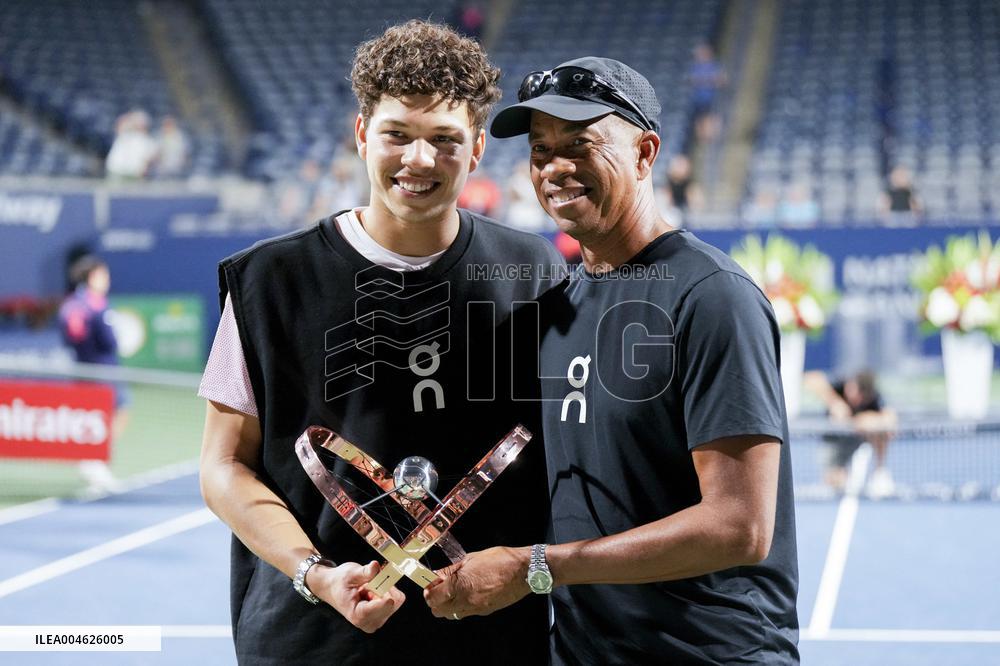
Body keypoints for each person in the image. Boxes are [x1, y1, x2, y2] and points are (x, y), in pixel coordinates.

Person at [198, 20, 564, 665]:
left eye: (444, 140)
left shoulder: (532, 270)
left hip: (489, 639)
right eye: (398, 133)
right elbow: (224, 466)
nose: (418, 160)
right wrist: (313, 572)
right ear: (363, 134)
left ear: (477, 148)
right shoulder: (267, 280)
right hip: (314, 640)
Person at [425, 57, 800, 664]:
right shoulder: (559, 306)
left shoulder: (711, 296)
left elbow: (740, 526)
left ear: (646, 153)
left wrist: (534, 567)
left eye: (580, 144)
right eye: (540, 151)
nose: (555, 168)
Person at [58, 254, 126, 491]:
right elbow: (109, 341)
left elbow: (69, 338)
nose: (107, 279)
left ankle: (93, 461)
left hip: (82, 369)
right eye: (103, 274)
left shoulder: (71, 304)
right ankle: (96, 461)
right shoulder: (97, 304)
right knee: (115, 413)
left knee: (92, 416)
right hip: (103, 371)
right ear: (92, 277)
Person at [804, 370, 898, 497]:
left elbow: (890, 420)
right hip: (835, 442)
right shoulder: (840, 386)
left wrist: (864, 419)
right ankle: (839, 473)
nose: (853, 395)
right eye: (851, 389)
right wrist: (834, 402)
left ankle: (879, 473)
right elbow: (812, 378)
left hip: (858, 438)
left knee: (882, 432)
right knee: (836, 483)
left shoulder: (874, 397)